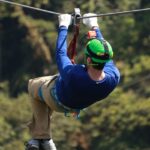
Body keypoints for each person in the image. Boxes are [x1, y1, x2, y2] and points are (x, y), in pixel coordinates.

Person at [25, 13, 120, 150]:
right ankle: (44, 140)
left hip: (55, 97)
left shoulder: (74, 75)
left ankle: (42, 137)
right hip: (75, 106)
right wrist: (94, 25)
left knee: (33, 85)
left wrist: (63, 25)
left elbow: (61, 54)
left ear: (88, 60)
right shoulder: (113, 77)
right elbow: (104, 52)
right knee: (48, 90)